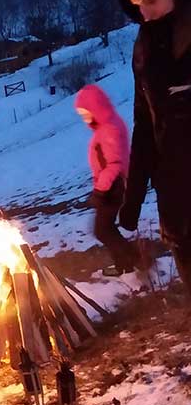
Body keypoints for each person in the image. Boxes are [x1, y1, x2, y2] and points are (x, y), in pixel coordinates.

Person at [116, 0, 191, 295]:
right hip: (179, 212)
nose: (143, 13)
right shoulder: (144, 49)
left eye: (151, 0)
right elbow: (145, 125)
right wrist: (132, 200)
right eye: (136, 4)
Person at [75, 84, 139, 276]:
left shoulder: (109, 129)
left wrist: (100, 191)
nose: (83, 117)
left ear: (94, 107)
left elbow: (114, 164)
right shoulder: (106, 126)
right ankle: (128, 262)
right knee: (105, 229)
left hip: (113, 187)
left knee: (103, 230)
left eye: (85, 112)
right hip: (111, 185)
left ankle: (131, 261)